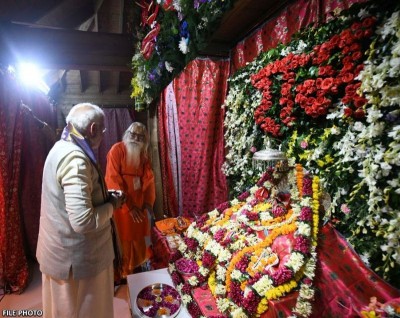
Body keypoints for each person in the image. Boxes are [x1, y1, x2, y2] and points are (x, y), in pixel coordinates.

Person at [36, 103, 125, 318]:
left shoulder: (61, 146)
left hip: (61, 251)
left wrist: (105, 195)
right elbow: (83, 221)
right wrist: (113, 205)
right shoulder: (75, 160)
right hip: (77, 261)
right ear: (93, 128)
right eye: (102, 131)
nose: (103, 135)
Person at [105, 122, 156, 282]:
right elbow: (113, 180)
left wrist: (148, 203)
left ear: (144, 140)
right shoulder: (116, 150)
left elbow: (149, 179)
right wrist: (128, 207)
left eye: (140, 137)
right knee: (124, 238)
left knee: (139, 237)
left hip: (139, 204)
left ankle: (137, 267)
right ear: (127, 134)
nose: (135, 138)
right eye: (133, 134)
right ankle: (124, 272)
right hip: (122, 207)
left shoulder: (143, 154)